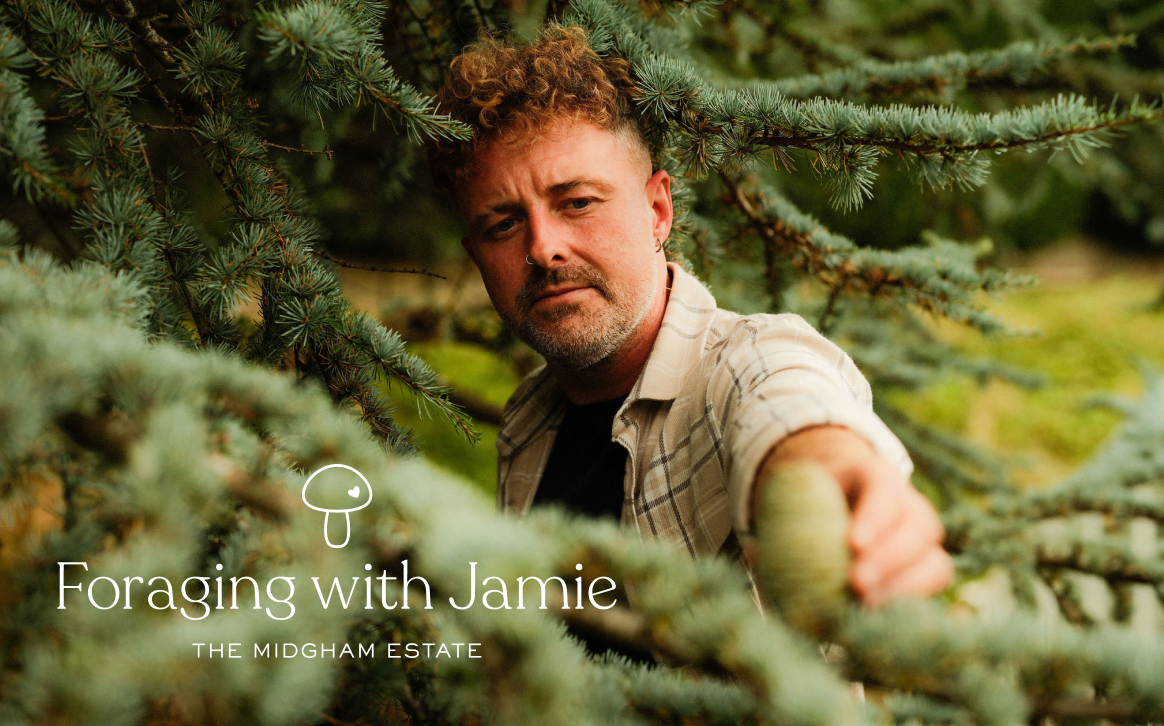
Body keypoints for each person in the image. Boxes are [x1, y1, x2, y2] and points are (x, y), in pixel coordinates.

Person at [427, 27, 953, 611]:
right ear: (477, 255)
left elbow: (788, 402)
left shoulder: (741, 363)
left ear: (657, 211)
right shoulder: (525, 426)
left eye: (577, 202)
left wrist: (829, 474)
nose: (544, 247)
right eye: (502, 224)